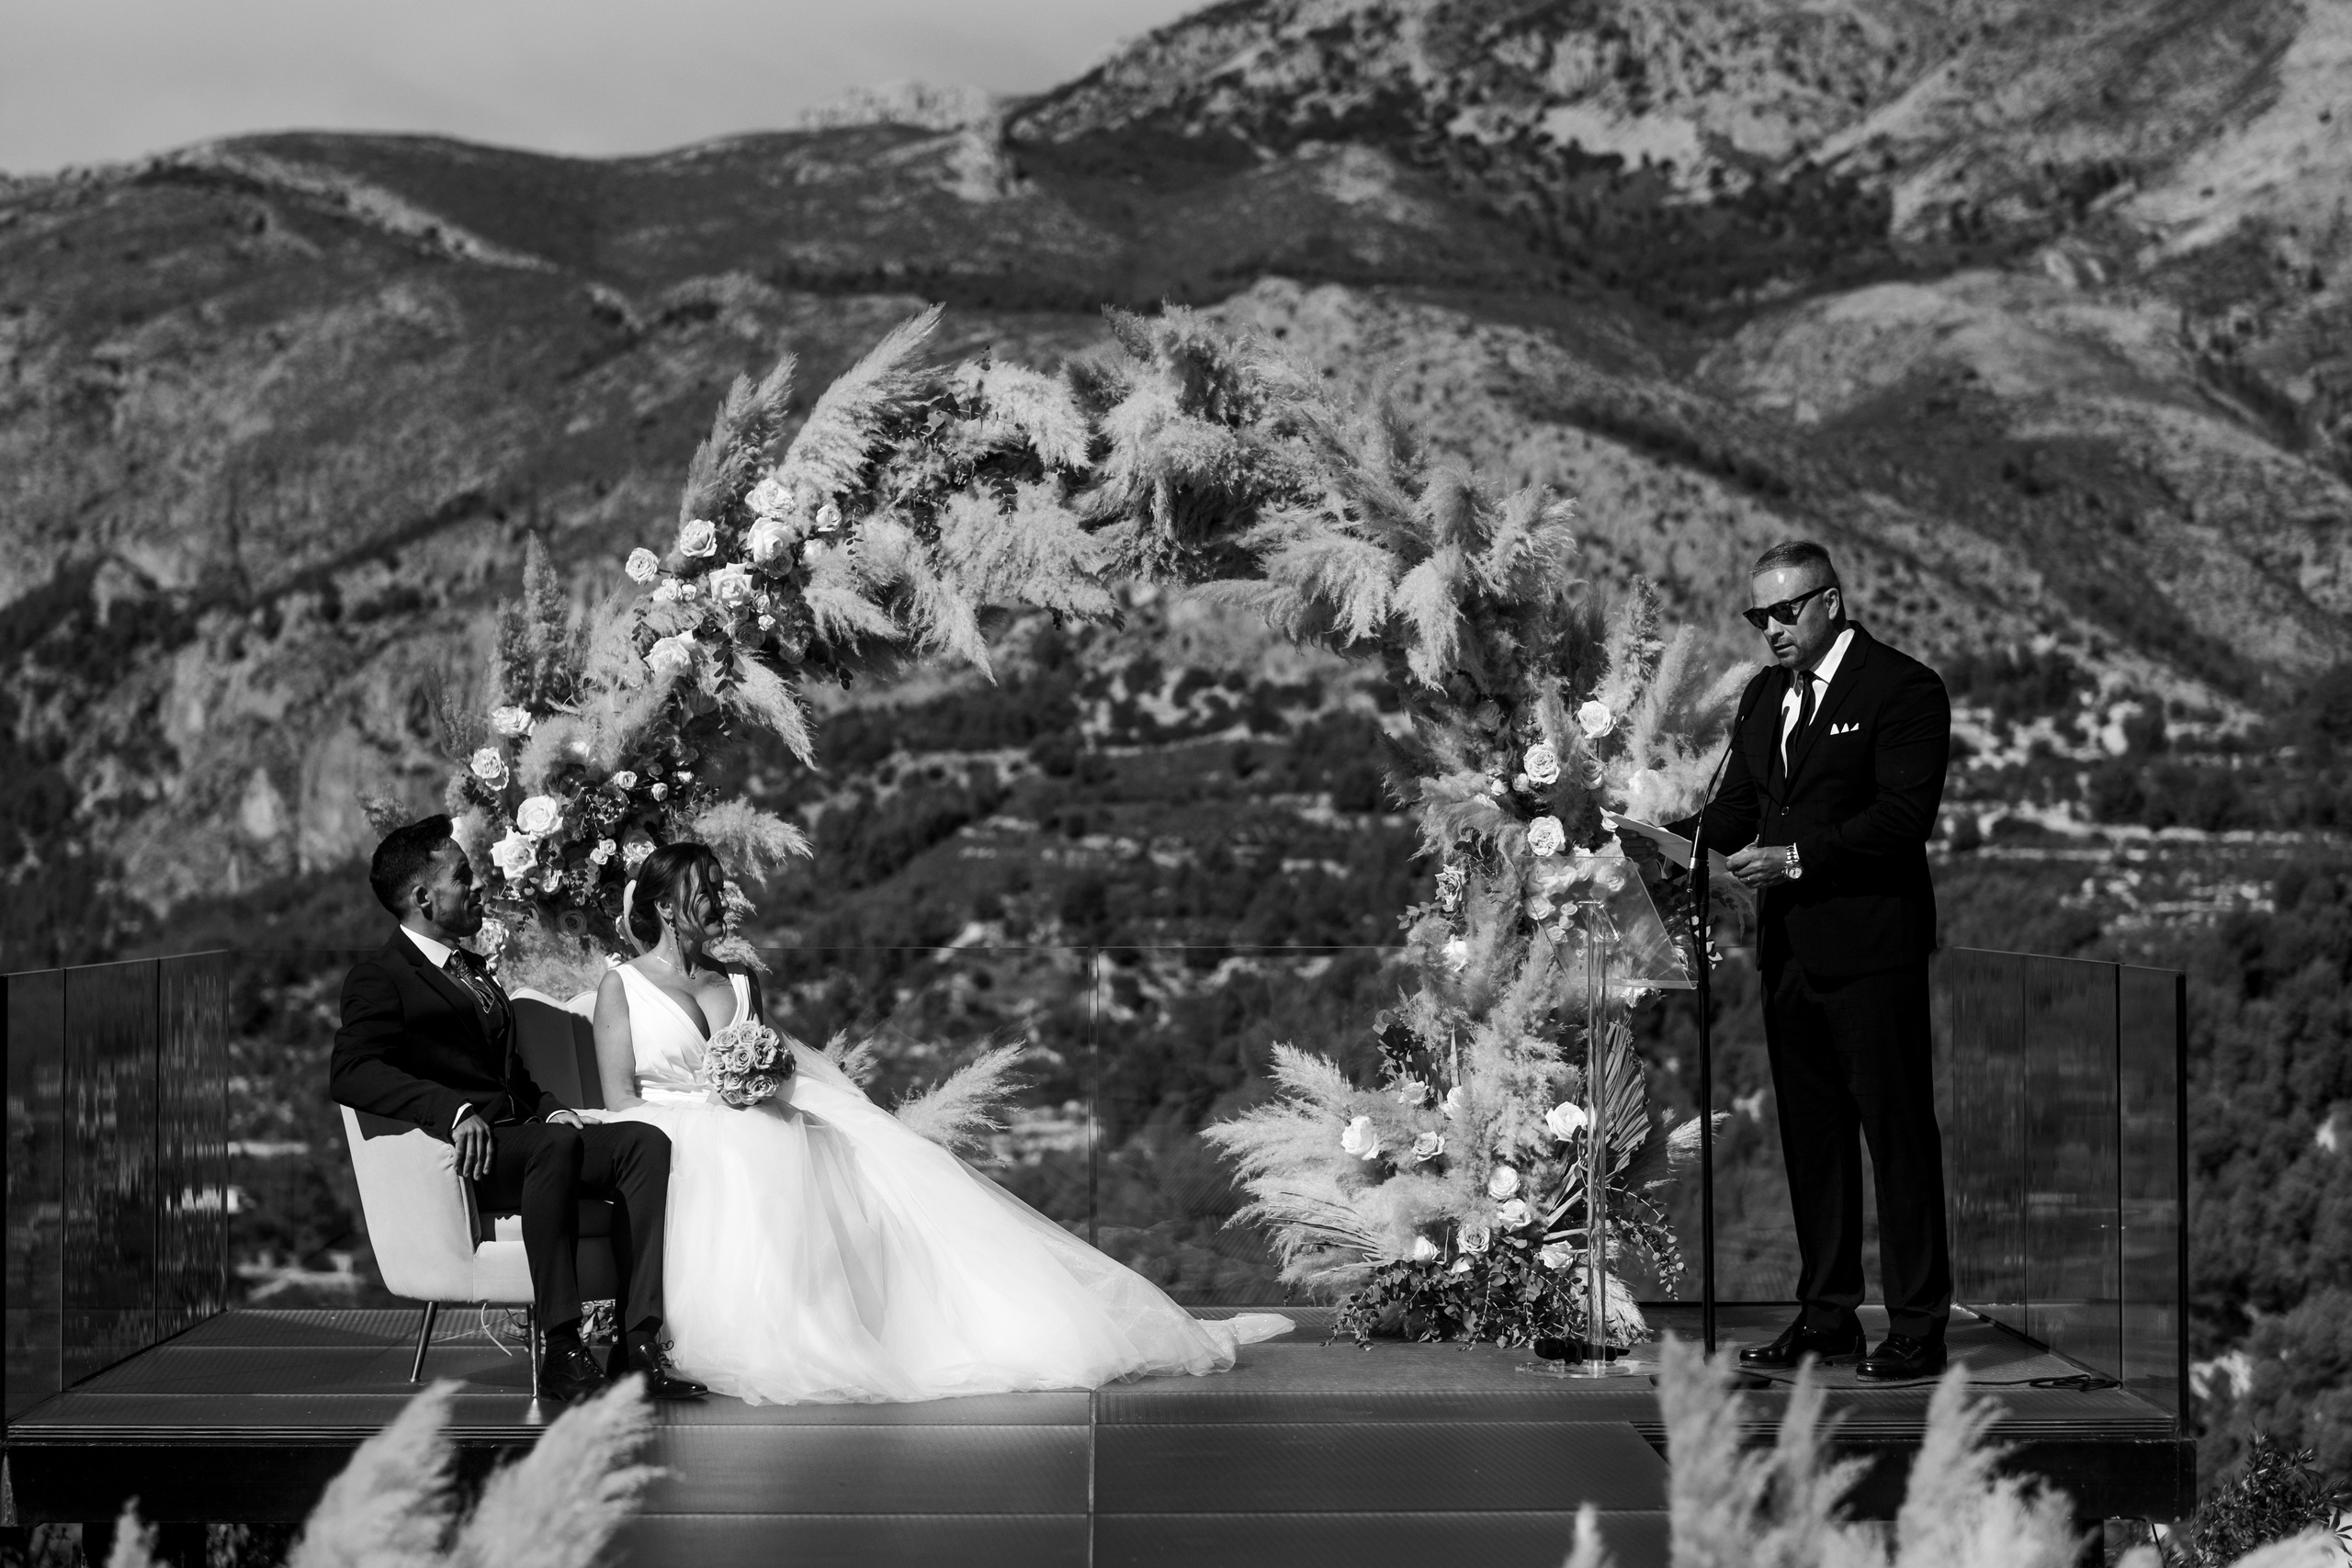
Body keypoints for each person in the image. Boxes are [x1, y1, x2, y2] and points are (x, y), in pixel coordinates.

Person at [583, 841, 1293, 1404]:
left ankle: (904, 1322)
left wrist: (757, 1087)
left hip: (762, 1115)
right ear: (667, 907)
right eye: (703, 886)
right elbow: (619, 1096)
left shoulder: (740, 981)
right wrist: (716, 1113)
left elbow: (770, 1064)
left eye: (719, 882)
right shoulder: (625, 986)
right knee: (751, 1149)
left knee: (859, 1154)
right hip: (668, 1131)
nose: (719, 897)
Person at [1653, 541, 1954, 1381]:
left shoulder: (1904, 688)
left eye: (1787, 611)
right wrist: (1657, 844)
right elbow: (1737, 807)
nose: (1773, 629)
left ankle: (1919, 1328)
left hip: (1873, 951)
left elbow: (1903, 819)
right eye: (1760, 616)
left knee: (1897, 1139)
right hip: (1786, 953)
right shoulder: (1763, 698)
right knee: (1813, 1140)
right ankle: (1828, 1317)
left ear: (1831, 600)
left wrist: (1794, 860)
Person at [330, 817, 706, 1403]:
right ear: (423, 898)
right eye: (461, 877)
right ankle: (562, 1348)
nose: (477, 886)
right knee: (550, 1148)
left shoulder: (472, 972)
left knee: (643, 1143)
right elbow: (351, 1070)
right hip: (468, 1159)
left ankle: (635, 1348)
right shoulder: (381, 978)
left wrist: (554, 1109)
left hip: (531, 1143)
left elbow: (513, 1079)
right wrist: (451, 1111)